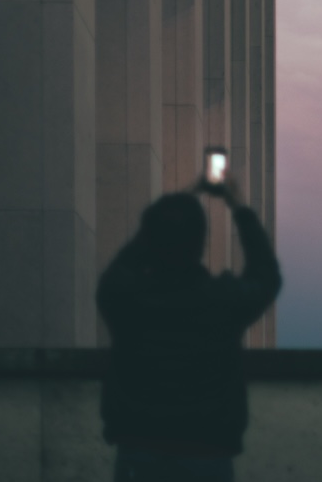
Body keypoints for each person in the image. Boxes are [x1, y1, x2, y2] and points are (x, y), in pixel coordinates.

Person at [97, 174, 281, 482]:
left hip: (139, 450)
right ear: (201, 243)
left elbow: (117, 273)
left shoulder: (128, 298)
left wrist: (166, 216)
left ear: (149, 238)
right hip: (206, 454)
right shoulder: (221, 300)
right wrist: (237, 206)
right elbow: (265, 275)